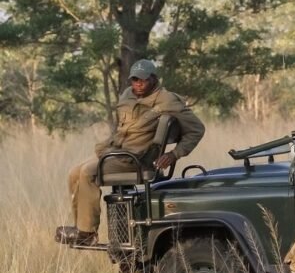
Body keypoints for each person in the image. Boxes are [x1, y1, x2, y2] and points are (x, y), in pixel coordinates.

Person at [56, 58, 206, 246]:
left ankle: (87, 233)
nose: (138, 84)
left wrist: (174, 154)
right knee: (73, 173)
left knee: (88, 173)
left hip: (135, 158)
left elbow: (197, 129)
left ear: (154, 79)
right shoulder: (128, 94)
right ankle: (80, 227)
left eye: (142, 79)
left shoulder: (168, 100)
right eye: (134, 79)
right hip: (115, 149)